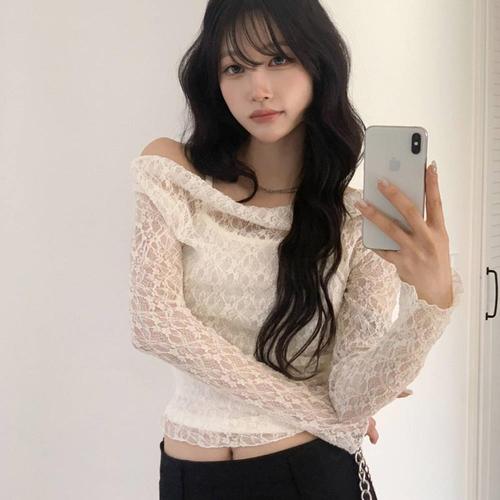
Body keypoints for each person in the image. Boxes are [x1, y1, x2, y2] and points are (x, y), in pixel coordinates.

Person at [128, 1, 464, 498]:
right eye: (235, 67)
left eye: (280, 59)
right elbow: (156, 325)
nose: (258, 88)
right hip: (188, 476)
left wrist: (431, 305)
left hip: (309, 475)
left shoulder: (356, 220)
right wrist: (316, 413)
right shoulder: (174, 172)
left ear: (319, 66)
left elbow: (353, 396)